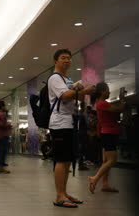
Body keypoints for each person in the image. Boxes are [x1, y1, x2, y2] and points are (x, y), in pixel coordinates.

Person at [48, 49, 95, 208]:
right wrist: (82, 91)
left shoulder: (66, 79)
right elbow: (65, 96)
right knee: (61, 160)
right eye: (63, 58)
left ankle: (64, 192)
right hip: (59, 123)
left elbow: (77, 96)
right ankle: (59, 196)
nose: (67, 61)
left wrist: (79, 90)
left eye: (69, 58)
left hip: (68, 123)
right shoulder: (55, 78)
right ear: (56, 61)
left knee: (67, 160)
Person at [88, 82, 126, 194]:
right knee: (112, 160)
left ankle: (105, 184)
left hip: (107, 134)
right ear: (102, 92)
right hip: (109, 134)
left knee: (106, 160)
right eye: (107, 90)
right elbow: (120, 109)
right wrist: (122, 98)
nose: (109, 92)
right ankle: (94, 178)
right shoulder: (102, 104)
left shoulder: (101, 104)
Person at [0, 100, 12, 174]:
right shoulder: (2, 114)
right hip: (3, 135)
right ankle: (1, 167)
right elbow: (2, 125)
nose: (6, 107)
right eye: (5, 105)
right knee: (2, 152)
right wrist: (8, 125)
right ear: (2, 106)